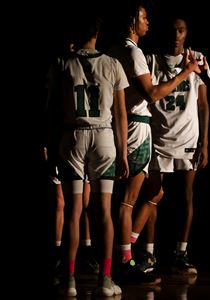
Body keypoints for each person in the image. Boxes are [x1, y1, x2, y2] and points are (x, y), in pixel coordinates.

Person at [108, 0, 201, 285]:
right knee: (126, 203)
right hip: (137, 127)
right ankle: (126, 261)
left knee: (152, 195)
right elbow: (152, 93)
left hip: (120, 126)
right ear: (133, 20)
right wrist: (185, 73)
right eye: (144, 17)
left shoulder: (113, 51)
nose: (148, 22)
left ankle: (125, 251)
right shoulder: (134, 53)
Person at [46, 14, 129, 297]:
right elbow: (120, 114)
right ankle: (105, 279)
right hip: (104, 136)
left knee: (73, 210)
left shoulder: (62, 64)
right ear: (98, 33)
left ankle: (68, 279)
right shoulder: (113, 64)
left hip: (72, 135)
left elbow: (51, 112)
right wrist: (124, 153)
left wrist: (50, 145)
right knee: (104, 211)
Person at [130, 14, 210, 275]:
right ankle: (150, 253)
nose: (177, 35)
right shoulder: (151, 60)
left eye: (181, 30)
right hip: (160, 136)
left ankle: (181, 252)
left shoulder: (197, 58)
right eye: (173, 30)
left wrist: (205, 142)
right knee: (152, 196)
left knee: (187, 196)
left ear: (186, 33)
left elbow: (203, 104)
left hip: (188, 137)